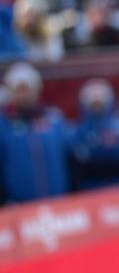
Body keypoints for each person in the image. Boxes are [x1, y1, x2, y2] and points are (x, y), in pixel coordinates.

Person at [0, 62, 72, 205]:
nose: (24, 95)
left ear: (37, 89)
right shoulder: (4, 124)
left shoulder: (54, 119)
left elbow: (69, 157)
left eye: (27, 89)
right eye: (19, 90)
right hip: (18, 207)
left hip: (58, 204)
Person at [71, 78, 119, 190]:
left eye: (100, 103)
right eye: (94, 103)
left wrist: (97, 146)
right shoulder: (80, 130)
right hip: (92, 188)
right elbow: (83, 158)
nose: (97, 106)